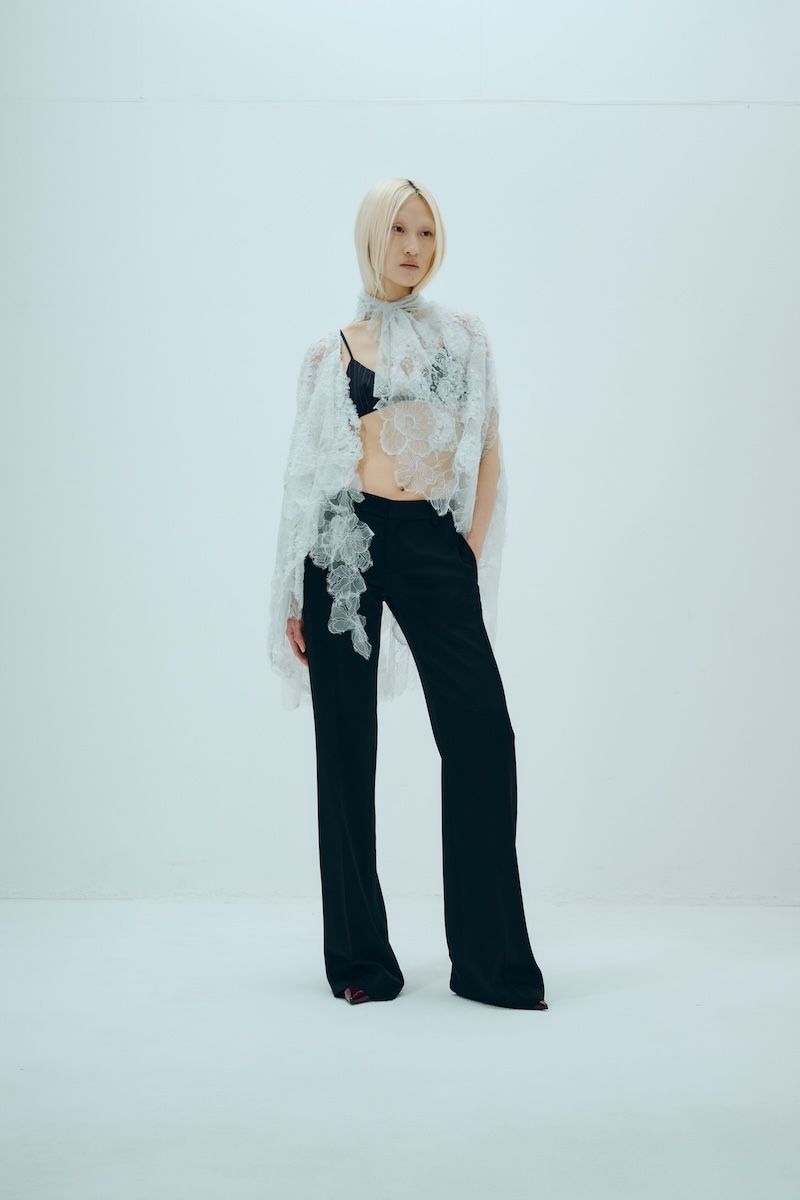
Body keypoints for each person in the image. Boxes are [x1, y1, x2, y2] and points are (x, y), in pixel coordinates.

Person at [267, 177, 548, 1010]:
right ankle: (360, 962)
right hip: (341, 545)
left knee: (482, 738)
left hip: (429, 541)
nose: (414, 248)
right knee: (345, 749)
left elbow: (487, 449)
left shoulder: (463, 339)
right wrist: (290, 593)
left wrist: (464, 550)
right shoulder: (328, 352)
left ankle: (492, 966)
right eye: (399, 231)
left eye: (426, 232)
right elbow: (303, 479)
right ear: (371, 238)